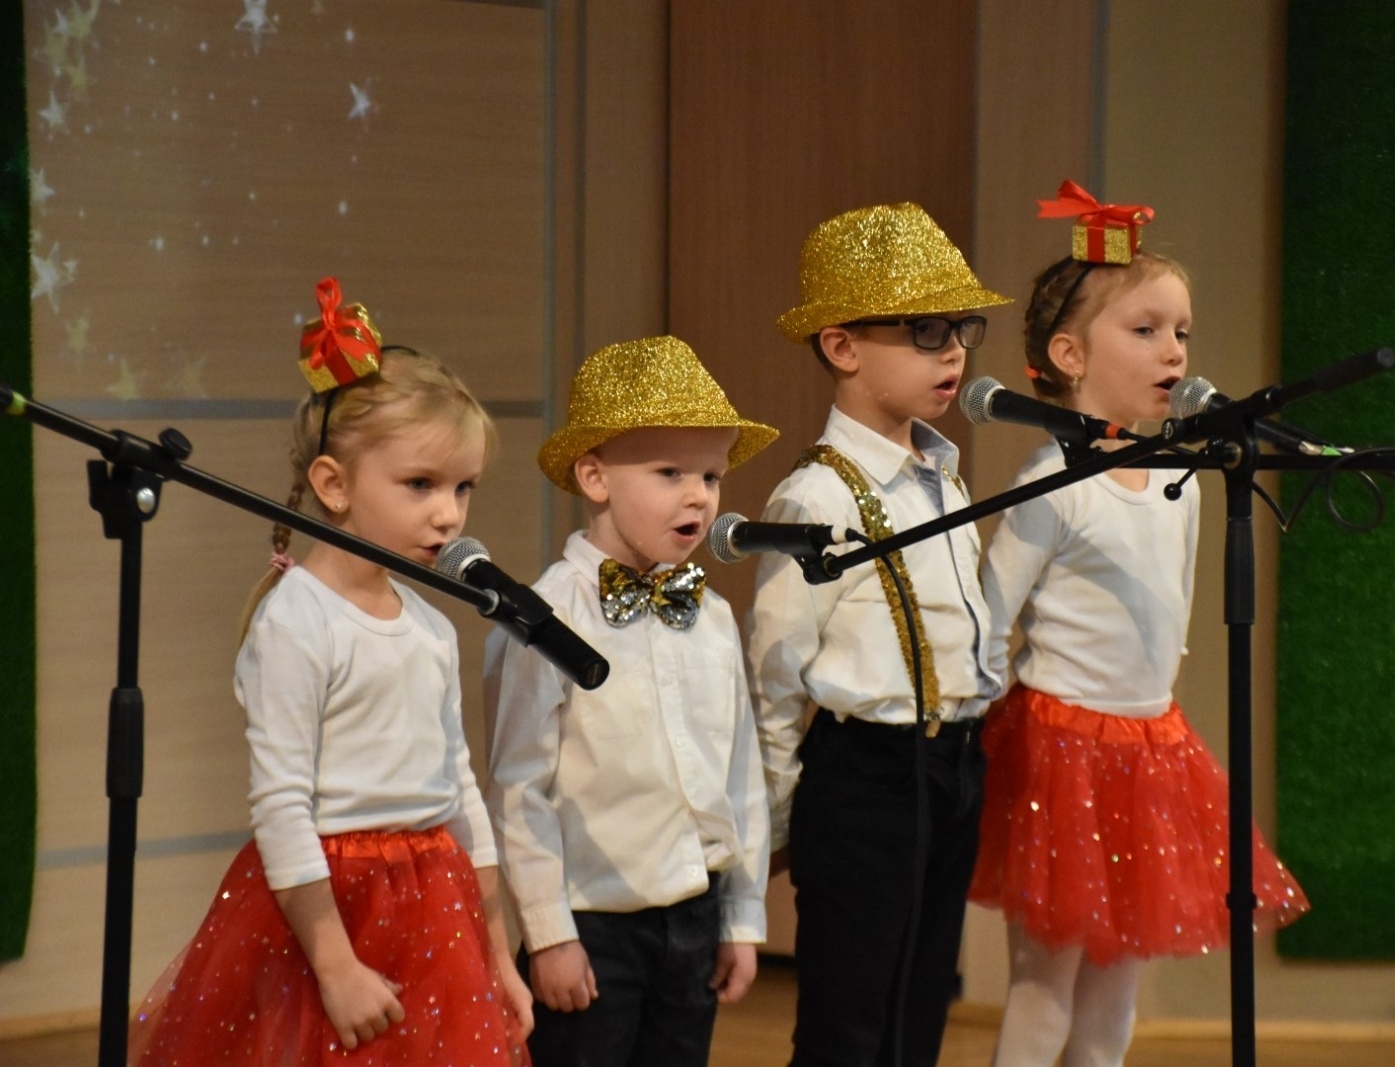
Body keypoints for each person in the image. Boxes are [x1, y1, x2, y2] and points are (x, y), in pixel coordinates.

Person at [127, 277, 533, 1066]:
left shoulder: (429, 624)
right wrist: (336, 962)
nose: (449, 514)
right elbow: (282, 803)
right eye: (420, 484)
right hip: (329, 911)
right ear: (333, 484)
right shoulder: (298, 620)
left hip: (435, 908)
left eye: (462, 488)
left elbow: (459, 785)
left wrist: (496, 949)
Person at [969, 181, 1309, 1067]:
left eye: (1182, 332)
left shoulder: (1182, 477)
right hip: (1061, 749)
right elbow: (985, 621)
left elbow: (1171, 621)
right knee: (1047, 989)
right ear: (1070, 353)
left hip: (1149, 752)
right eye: (1146, 329)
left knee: (1115, 995)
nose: (1173, 351)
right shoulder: (1054, 482)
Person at [746, 202, 1011, 1067]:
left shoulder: (944, 475)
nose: (954, 351)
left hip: (950, 766)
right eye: (926, 329)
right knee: (849, 1020)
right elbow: (776, 675)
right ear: (842, 346)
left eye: (961, 328)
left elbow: (968, 621)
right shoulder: (815, 500)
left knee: (919, 1003)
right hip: (865, 781)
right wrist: (776, 819)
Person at [484, 335, 777, 1067]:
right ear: (594, 475)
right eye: (669, 470)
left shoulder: (710, 615)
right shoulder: (545, 619)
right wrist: (548, 932)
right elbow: (519, 787)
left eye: (711, 474)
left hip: (694, 915)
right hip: (593, 925)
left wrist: (741, 913)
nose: (698, 495)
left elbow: (738, 772)